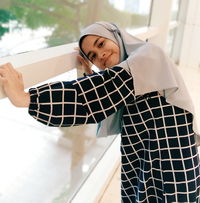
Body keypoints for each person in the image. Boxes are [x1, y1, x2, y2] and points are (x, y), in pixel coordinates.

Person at [0, 21, 200, 203]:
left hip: (169, 153)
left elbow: (99, 94)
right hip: (145, 152)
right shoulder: (132, 69)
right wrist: (90, 75)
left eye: (101, 44)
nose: (99, 54)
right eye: (93, 56)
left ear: (116, 36)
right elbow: (111, 94)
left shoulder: (148, 55)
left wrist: (26, 98)